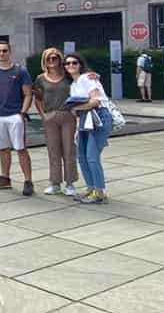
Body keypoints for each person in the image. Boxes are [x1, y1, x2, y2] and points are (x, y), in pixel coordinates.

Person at [0, 39, 35, 196]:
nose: (2, 53)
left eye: (4, 50)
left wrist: (23, 113)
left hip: (15, 116)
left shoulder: (20, 71)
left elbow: (28, 94)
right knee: (3, 149)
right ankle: (5, 178)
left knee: (21, 149)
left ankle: (28, 181)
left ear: (10, 52)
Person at [66, 53, 112, 203]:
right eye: (67, 64)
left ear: (80, 64)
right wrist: (76, 129)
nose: (71, 65)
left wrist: (76, 108)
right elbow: (78, 111)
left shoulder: (87, 78)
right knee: (82, 156)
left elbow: (96, 101)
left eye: (74, 63)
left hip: (99, 117)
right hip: (85, 119)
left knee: (92, 156)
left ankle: (99, 193)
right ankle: (90, 188)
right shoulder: (73, 85)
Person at [34, 47, 79, 197]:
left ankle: (70, 183)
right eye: (49, 59)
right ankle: (55, 183)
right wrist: (43, 115)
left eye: (55, 58)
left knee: (69, 150)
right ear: (45, 61)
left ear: (60, 60)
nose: (52, 61)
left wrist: (93, 75)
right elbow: (38, 99)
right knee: (53, 151)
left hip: (68, 116)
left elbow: (83, 77)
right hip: (50, 117)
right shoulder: (41, 79)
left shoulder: (68, 76)